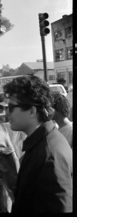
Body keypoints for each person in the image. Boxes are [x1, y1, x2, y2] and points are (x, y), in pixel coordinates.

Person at [4, 75, 73, 214]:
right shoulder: (41, 143)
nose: (6, 112)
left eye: (11, 107)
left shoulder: (50, 154)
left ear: (32, 111)